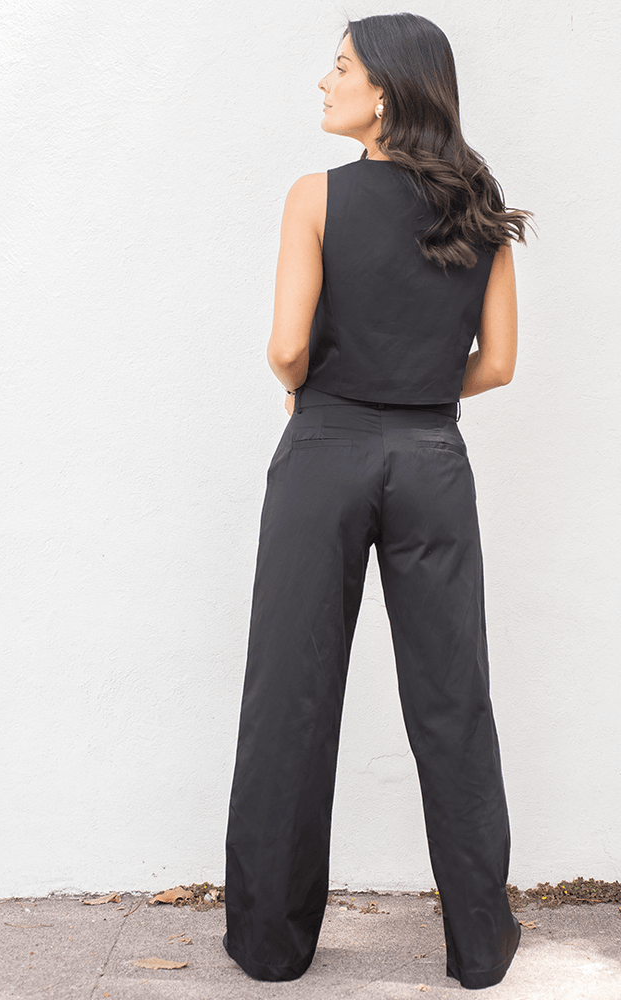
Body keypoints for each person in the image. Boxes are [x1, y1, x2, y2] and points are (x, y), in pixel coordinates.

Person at [223, 12, 533, 991]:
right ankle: (479, 946)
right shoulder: (479, 208)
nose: (325, 83)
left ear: (386, 91)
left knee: (291, 692)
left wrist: (309, 386)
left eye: (341, 67)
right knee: (453, 699)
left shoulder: (315, 196)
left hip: (326, 449)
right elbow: (499, 363)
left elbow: (285, 347)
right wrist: (419, 389)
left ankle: (270, 946)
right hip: (433, 459)